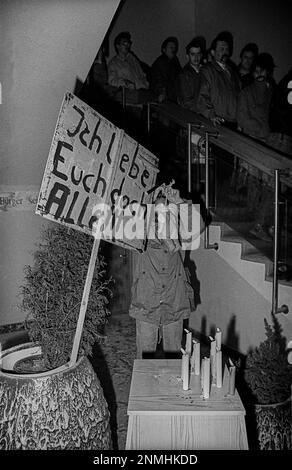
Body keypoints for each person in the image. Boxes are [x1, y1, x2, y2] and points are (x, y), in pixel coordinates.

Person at [129, 183, 203, 359]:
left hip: (174, 300)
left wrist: (179, 201)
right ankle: (146, 387)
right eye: (157, 209)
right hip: (146, 302)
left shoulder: (178, 231)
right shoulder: (139, 231)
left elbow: (198, 226)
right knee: (144, 358)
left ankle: (171, 386)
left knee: (174, 358)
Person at [237, 53, 276, 241]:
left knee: (259, 181)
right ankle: (255, 221)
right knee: (256, 181)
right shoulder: (251, 92)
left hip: (260, 141)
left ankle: (256, 220)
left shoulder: (269, 92)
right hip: (256, 141)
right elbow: (243, 118)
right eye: (257, 70)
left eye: (262, 70)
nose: (260, 73)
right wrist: (264, 131)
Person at [197, 31, 241, 128]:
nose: (225, 52)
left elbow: (239, 96)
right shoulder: (207, 70)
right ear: (213, 52)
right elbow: (202, 96)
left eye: (226, 49)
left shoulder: (232, 72)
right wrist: (211, 115)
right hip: (217, 122)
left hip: (233, 122)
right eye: (221, 49)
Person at [150, 36, 182, 103]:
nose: (173, 50)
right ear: (164, 49)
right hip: (166, 99)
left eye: (174, 48)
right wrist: (162, 93)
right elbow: (158, 81)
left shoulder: (175, 61)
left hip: (173, 98)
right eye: (171, 48)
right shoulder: (160, 62)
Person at [177, 37, 204, 112]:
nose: (196, 57)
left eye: (198, 54)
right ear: (187, 56)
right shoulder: (184, 74)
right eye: (193, 54)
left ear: (201, 55)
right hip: (191, 114)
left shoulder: (205, 71)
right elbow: (187, 101)